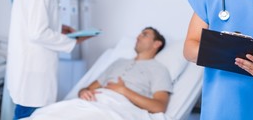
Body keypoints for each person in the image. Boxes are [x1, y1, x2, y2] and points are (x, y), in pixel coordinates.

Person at [6, 0, 93, 119]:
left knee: (28, 112)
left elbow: (34, 15)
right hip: (33, 64)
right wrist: (72, 41)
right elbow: (37, 32)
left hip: (30, 60)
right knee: (29, 114)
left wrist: (58, 27)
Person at [28, 27, 172, 119]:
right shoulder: (119, 62)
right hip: (93, 101)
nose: (138, 37)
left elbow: (159, 107)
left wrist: (123, 90)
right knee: (48, 115)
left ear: (156, 44)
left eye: (144, 35)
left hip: (118, 107)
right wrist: (83, 92)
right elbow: (88, 89)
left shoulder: (159, 69)